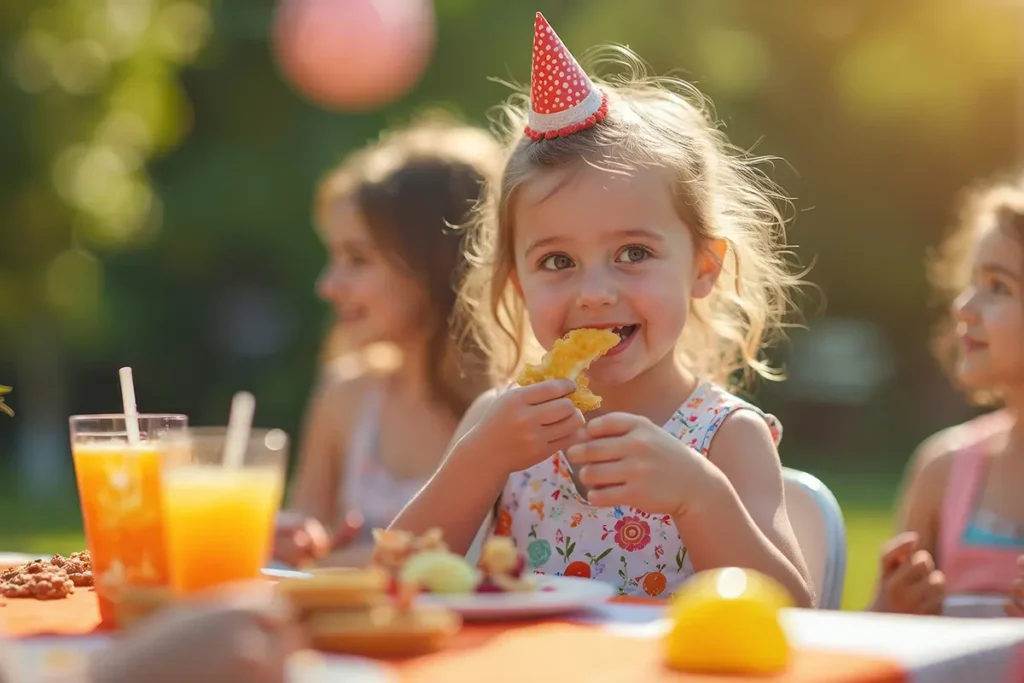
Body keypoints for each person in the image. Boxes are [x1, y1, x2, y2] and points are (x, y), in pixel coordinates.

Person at [388, 13, 813, 605]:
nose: (594, 291)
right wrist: (476, 463)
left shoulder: (724, 439)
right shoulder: (498, 422)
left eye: (633, 252)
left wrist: (701, 498)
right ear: (517, 283)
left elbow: (795, 615)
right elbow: (390, 584)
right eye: (557, 262)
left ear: (704, 268)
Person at [273, 115, 501, 568]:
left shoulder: (518, 405)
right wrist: (294, 544)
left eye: (357, 259)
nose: (328, 285)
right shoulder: (346, 399)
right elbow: (300, 557)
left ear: (437, 261)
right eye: (333, 257)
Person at [871, 173, 1024, 616]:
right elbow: (872, 643)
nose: (963, 307)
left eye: (999, 287)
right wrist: (892, 604)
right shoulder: (943, 468)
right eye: (972, 282)